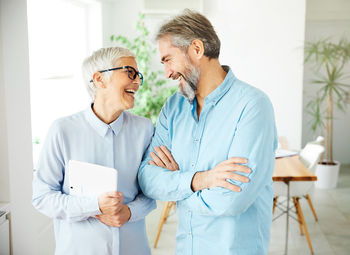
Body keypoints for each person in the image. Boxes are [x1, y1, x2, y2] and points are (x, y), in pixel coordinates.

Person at [138, 9, 277, 255]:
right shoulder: (173, 107)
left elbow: (231, 199)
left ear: (197, 49)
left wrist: (177, 186)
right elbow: (148, 179)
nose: (166, 73)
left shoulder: (252, 106)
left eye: (168, 59)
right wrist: (199, 180)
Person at [32, 47, 156, 255]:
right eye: (130, 73)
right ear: (99, 79)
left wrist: (129, 212)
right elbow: (42, 197)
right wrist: (95, 205)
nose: (137, 82)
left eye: (138, 75)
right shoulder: (62, 130)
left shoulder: (145, 129)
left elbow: (151, 193)